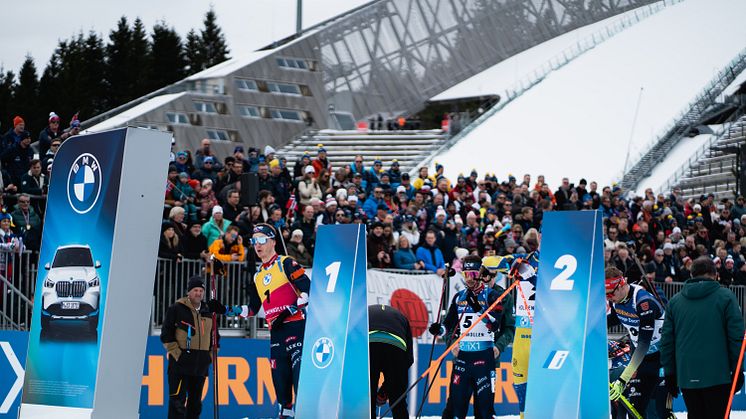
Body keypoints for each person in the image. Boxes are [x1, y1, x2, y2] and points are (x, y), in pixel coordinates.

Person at [208, 224, 310, 419]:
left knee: (300, 380)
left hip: (296, 327)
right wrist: (225, 309)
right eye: (254, 241)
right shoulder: (258, 275)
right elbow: (252, 310)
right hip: (276, 333)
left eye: (262, 240)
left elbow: (308, 290)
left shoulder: (286, 263)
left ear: (273, 241)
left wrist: (288, 310)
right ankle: (285, 413)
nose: (257, 245)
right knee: (280, 384)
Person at [660, 256, 745, 418]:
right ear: (715, 275)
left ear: (691, 275)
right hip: (719, 375)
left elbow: (666, 342)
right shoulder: (726, 297)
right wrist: (738, 369)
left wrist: (669, 373)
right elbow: (736, 338)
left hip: (687, 375)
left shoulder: (675, 302)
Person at [428, 255, 504, 419]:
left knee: (484, 412)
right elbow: (448, 325)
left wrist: (478, 309)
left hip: (484, 360)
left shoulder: (491, 296)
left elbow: (495, 325)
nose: (469, 279)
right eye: (465, 274)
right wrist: (438, 329)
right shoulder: (459, 297)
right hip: (463, 359)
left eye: (473, 274)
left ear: (481, 274)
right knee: (456, 409)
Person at [606, 266, 666, 417]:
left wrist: (622, 379)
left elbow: (644, 344)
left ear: (622, 285)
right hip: (642, 360)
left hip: (664, 358)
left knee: (660, 410)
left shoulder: (643, 301)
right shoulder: (616, 301)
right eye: (605, 295)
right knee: (637, 410)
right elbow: (609, 321)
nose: (608, 298)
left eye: (610, 293)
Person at [161, 276, 220, 419]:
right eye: (195, 290)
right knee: (177, 403)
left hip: (200, 366)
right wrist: (178, 354)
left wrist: (210, 357)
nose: (198, 293)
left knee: (195, 405)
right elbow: (166, 334)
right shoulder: (176, 309)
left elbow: (215, 337)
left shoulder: (208, 311)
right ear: (189, 292)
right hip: (180, 366)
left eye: (201, 290)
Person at [369, 304, 414, 419]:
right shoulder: (403, 318)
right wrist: (385, 391)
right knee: (398, 399)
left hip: (370, 342)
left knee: (367, 397)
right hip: (396, 346)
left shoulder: (364, 312)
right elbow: (408, 359)